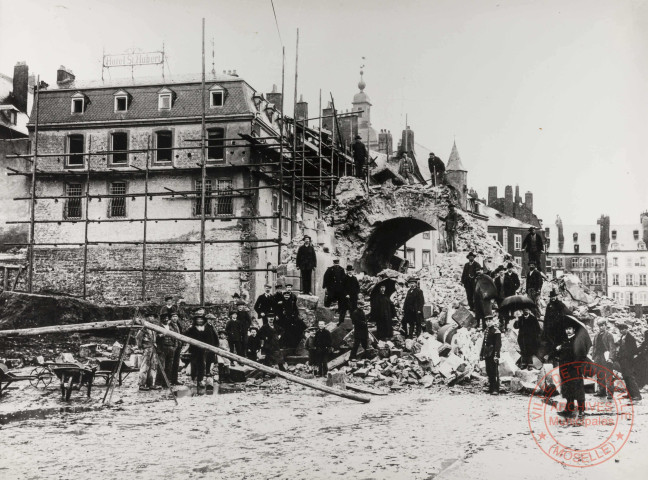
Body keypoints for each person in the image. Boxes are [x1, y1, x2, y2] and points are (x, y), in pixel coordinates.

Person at [556, 317, 592, 418]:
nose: (568, 331)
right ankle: (569, 408)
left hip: (574, 369)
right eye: (566, 329)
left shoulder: (577, 340)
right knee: (567, 388)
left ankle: (581, 410)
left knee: (578, 388)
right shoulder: (564, 341)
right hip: (564, 369)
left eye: (570, 329)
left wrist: (575, 365)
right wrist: (559, 349)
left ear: (574, 330)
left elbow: (580, 354)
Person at [185, 309, 216, 387]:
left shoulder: (206, 329)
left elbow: (209, 339)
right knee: (194, 364)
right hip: (194, 350)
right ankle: (193, 380)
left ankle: (200, 380)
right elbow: (185, 336)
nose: (199, 321)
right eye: (198, 319)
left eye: (201, 319)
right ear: (195, 320)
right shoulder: (192, 328)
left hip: (203, 350)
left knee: (201, 365)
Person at [616, 321, 642, 401]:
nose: (621, 331)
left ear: (627, 329)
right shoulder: (622, 337)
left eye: (623, 329)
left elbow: (634, 350)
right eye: (620, 329)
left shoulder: (631, 338)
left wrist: (627, 356)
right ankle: (630, 394)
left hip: (628, 361)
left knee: (630, 377)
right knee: (626, 377)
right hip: (623, 360)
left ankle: (637, 395)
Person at [542, 290, 569, 363]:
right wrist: (545, 326)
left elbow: (566, 313)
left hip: (559, 327)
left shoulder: (560, 304)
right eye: (551, 297)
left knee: (559, 341)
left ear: (556, 296)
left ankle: (558, 356)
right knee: (551, 341)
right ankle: (552, 356)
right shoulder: (549, 305)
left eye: (554, 297)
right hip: (551, 327)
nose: (553, 298)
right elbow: (546, 316)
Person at [136, 313, 161, 391]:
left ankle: (150, 384)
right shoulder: (144, 328)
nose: (152, 318)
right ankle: (141, 384)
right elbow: (138, 337)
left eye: (153, 316)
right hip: (146, 348)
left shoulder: (153, 327)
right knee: (144, 367)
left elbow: (154, 338)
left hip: (152, 348)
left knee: (152, 366)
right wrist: (140, 346)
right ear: (147, 318)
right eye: (150, 316)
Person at [592, 319, 615, 399]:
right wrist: (593, 357)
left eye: (602, 325)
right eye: (599, 326)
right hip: (598, 356)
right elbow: (594, 346)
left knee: (608, 375)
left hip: (606, 356)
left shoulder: (609, 335)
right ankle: (601, 391)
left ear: (605, 325)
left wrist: (611, 358)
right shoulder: (596, 335)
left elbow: (612, 347)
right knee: (599, 374)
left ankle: (610, 393)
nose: (601, 327)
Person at [156, 314, 179, 387]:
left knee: (169, 366)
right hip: (162, 348)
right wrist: (159, 336)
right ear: (161, 319)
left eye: (167, 318)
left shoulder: (171, 327)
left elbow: (175, 337)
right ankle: (158, 383)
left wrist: (175, 346)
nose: (166, 320)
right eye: (164, 318)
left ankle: (166, 382)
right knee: (161, 366)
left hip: (171, 348)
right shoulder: (158, 327)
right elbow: (154, 337)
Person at [480, 315, 501, 395]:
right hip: (487, 353)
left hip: (493, 353)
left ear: (493, 321)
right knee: (489, 371)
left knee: (494, 371)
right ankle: (491, 387)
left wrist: (496, 355)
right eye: (487, 321)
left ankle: (496, 389)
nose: (488, 323)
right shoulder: (487, 330)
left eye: (490, 321)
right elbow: (484, 343)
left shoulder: (496, 331)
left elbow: (498, 345)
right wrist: (482, 354)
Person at [203, 313, 220, 386]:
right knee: (206, 360)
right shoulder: (205, 327)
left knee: (210, 360)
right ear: (207, 320)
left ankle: (208, 371)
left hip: (212, 345)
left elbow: (215, 336)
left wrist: (216, 344)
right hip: (207, 346)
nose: (211, 321)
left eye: (212, 320)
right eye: (209, 320)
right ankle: (206, 372)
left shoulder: (212, 327)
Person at [169, 312, 184, 385]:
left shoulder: (178, 325)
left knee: (176, 364)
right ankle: (169, 380)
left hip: (178, 346)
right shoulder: (169, 325)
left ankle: (175, 380)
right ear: (171, 318)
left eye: (176, 316)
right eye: (173, 316)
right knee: (170, 364)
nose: (175, 318)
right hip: (172, 346)